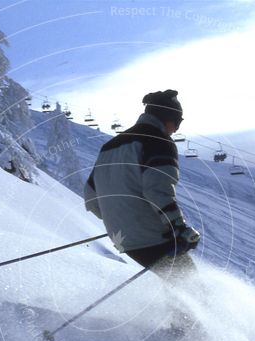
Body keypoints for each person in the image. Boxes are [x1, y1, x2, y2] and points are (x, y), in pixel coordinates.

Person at [83, 89, 201, 281]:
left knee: (178, 282)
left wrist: (121, 221)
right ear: (168, 117)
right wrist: (178, 227)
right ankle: (182, 313)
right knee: (192, 285)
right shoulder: (158, 142)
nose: (176, 129)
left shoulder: (109, 147)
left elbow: (90, 194)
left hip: (122, 238)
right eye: (178, 121)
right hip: (152, 236)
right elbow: (157, 190)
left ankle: (174, 312)